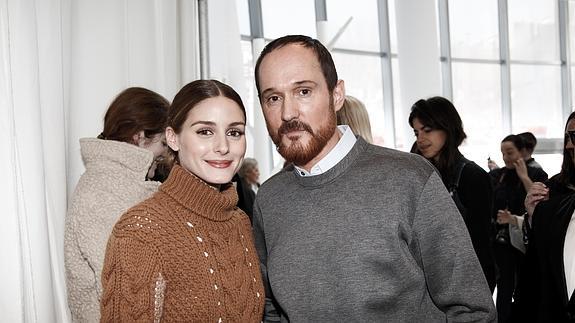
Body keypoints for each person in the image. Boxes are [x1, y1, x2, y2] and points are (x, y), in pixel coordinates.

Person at [252, 34, 495, 322]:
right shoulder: (268, 200)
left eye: (303, 91)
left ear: (336, 94)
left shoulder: (410, 178)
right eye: (273, 98)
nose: (288, 112)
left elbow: (471, 310)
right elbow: (270, 310)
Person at [100, 80, 264, 322]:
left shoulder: (240, 221)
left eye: (234, 132)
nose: (223, 146)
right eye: (205, 132)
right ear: (173, 138)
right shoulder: (140, 230)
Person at [64, 87, 169, 322]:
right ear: (140, 137)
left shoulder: (119, 186)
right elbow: (127, 292)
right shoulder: (103, 193)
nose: (166, 152)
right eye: (163, 142)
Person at [408, 96, 496, 292]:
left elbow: (480, 242)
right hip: (425, 279)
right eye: (416, 132)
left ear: (447, 128)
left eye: (427, 130)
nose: (421, 139)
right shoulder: (416, 173)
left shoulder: (473, 176)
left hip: (463, 280)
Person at [513, 112, 575, 322]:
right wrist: (533, 218)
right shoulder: (554, 189)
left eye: (574, 137)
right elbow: (536, 259)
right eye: (567, 137)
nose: (569, 145)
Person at [489, 134, 548, 322]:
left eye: (510, 152)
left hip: (525, 242)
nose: (506, 157)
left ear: (522, 152)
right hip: (501, 242)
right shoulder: (501, 175)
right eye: (503, 153)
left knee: (525, 287)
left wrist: (523, 177)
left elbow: (540, 206)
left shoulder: (536, 173)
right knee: (504, 289)